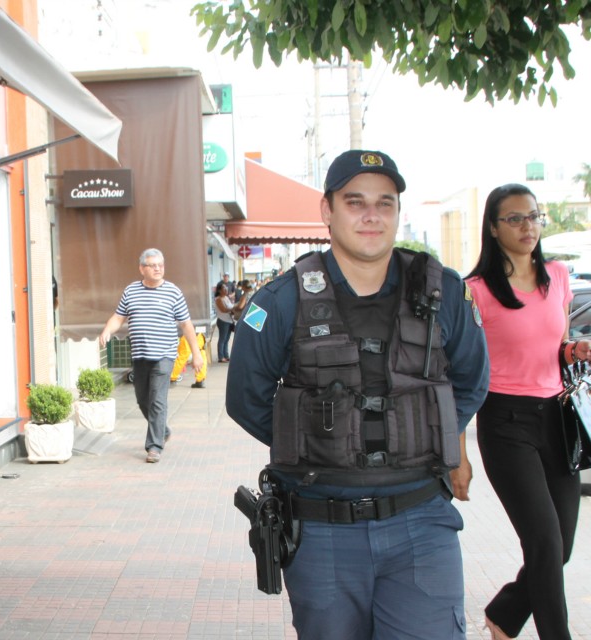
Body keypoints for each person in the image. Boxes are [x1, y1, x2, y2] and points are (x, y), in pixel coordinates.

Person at [226, 149, 489, 639]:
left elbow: (473, 380)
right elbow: (245, 397)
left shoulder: (443, 293)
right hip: (322, 527)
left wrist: (430, 431)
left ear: (396, 213)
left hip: (421, 522)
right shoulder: (281, 300)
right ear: (327, 211)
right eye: (355, 202)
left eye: (385, 204)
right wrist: (317, 443)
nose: (372, 215)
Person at [465, 183, 588, 640]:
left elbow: (553, 343)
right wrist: (457, 450)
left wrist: (572, 349)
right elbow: (460, 370)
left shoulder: (557, 276)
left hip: (556, 418)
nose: (527, 226)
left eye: (534, 216)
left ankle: (505, 613)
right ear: (494, 228)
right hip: (504, 421)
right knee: (543, 541)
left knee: (562, 548)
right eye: (514, 218)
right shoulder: (475, 291)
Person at [99, 248, 203, 462]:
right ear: (142, 268)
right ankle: (162, 430)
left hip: (164, 356)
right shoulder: (131, 291)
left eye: (161, 265)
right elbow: (119, 317)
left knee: (157, 400)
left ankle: (154, 446)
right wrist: (107, 330)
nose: (158, 268)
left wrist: (196, 354)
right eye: (153, 265)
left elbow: (186, 324)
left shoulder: (173, 292)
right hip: (140, 355)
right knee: (142, 400)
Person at [214, 282, 235, 362]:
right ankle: (221, 356)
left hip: (229, 321)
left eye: (226, 287)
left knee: (227, 339)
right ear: (219, 290)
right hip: (223, 321)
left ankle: (226, 355)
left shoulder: (226, 298)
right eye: (224, 288)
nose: (226, 289)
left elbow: (230, 307)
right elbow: (223, 310)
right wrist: (234, 309)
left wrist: (233, 308)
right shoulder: (218, 299)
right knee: (222, 339)